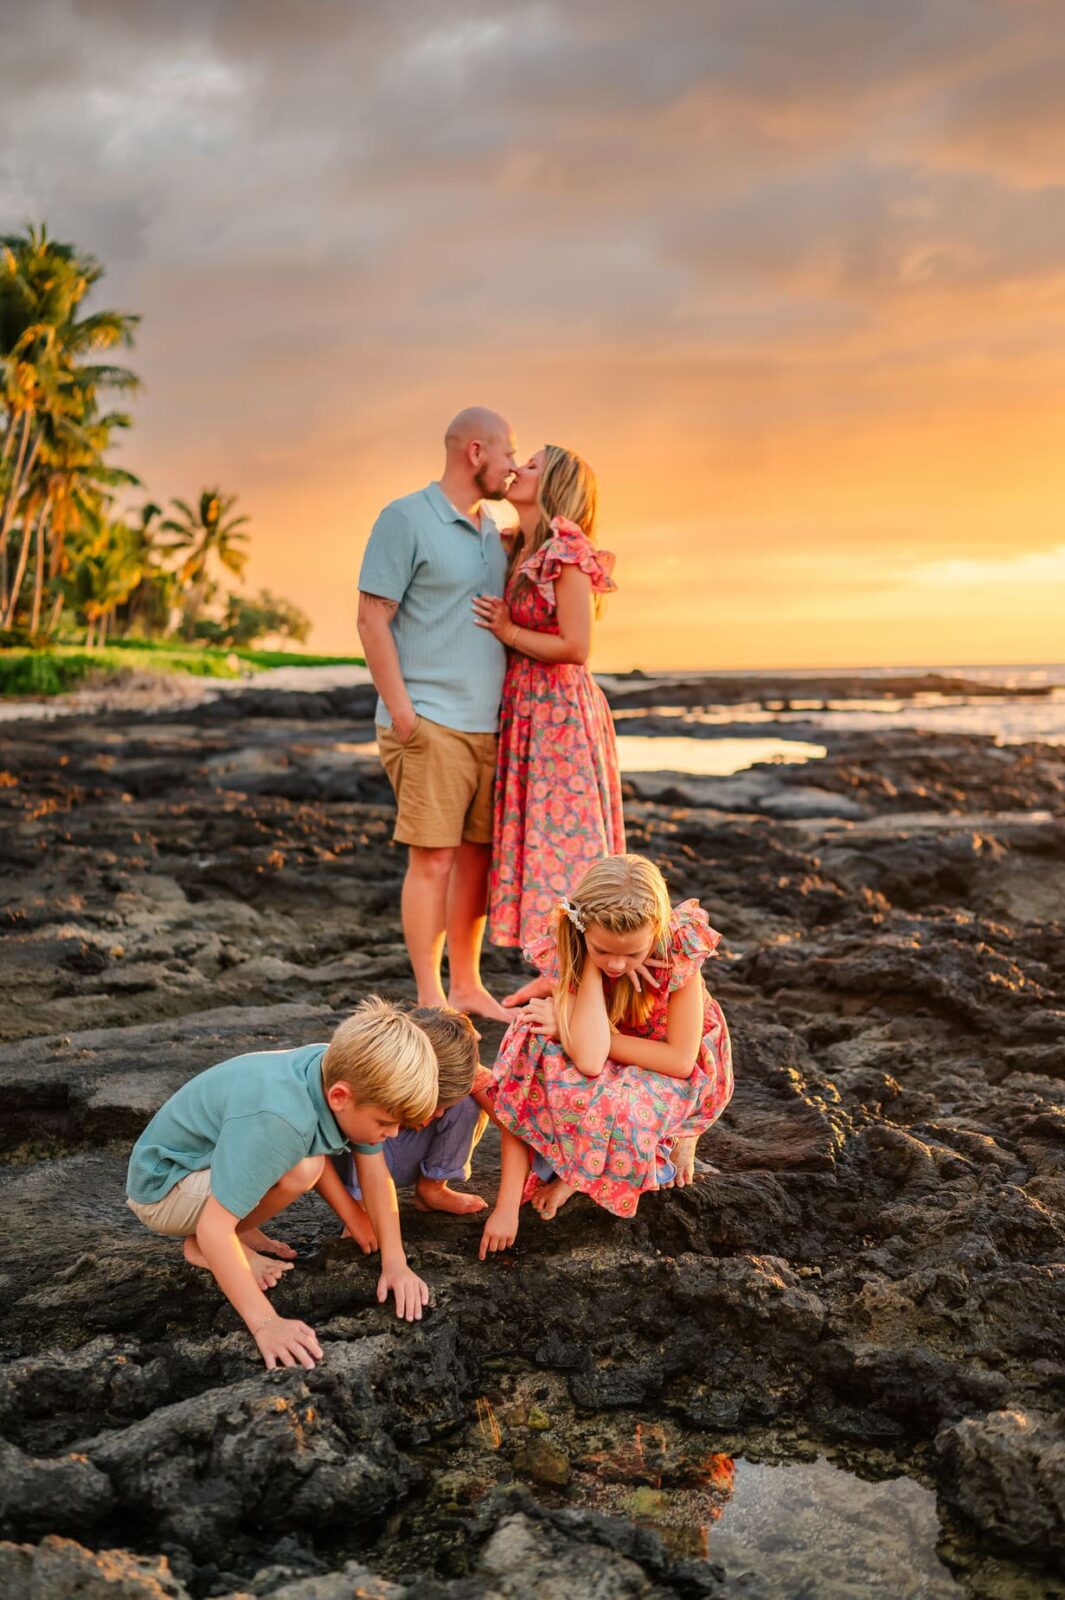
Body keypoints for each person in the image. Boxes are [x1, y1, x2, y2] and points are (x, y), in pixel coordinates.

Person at [126, 997, 439, 1370]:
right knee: (302, 1170)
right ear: (340, 1097)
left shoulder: (344, 1073)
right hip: (165, 1188)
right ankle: (209, 1248)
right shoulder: (282, 1121)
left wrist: (395, 1261)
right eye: (387, 1123)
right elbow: (215, 1225)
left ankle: (238, 1230)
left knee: (304, 1164)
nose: (392, 1134)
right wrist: (267, 1324)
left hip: (206, 1164)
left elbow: (375, 1173)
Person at [478, 854, 733, 1259]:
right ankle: (566, 1170)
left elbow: (680, 1062)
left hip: (667, 1068)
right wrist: (589, 971)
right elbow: (592, 1063)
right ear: (582, 931)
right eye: (603, 951)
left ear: (658, 931)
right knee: (527, 1037)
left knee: (619, 1105)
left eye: (631, 954)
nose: (617, 964)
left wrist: (573, 1028)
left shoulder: (678, 956)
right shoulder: (574, 945)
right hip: (600, 1045)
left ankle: (670, 1141)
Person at [358, 407, 518, 1023]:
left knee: (475, 859)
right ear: (476, 451)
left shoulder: (490, 531)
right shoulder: (405, 518)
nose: (513, 465)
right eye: (509, 452)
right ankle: (430, 997)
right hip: (430, 719)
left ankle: (469, 986)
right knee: (434, 860)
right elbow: (372, 619)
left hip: (488, 726)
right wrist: (404, 716)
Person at [472, 445, 625, 956]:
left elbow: (576, 647)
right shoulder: (521, 547)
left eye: (533, 465)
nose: (518, 469)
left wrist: (507, 630)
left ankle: (579, 965)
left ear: (555, 484)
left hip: (559, 715)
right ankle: (552, 967)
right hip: (528, 710)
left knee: (566, 844)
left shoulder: (566, 551)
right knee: (536, 840)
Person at [335, 1006, 490, 1219]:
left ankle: (432, 1189)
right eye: (433, 1106)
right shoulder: (380, 1069)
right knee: (356, 1120)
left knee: (467, 1103)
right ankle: (360, 1206)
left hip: (408, 1152)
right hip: (369, 1157)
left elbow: (512, 1117)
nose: (438, 1114)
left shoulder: (459, 1070)